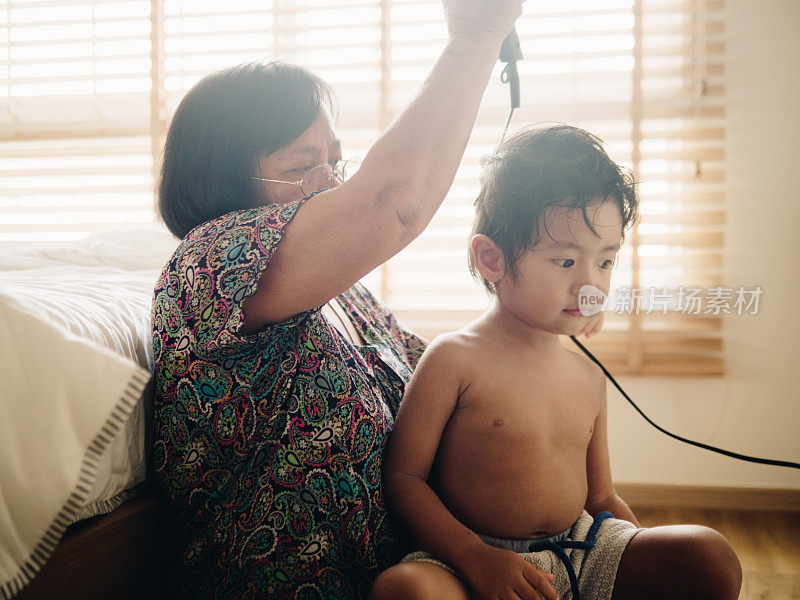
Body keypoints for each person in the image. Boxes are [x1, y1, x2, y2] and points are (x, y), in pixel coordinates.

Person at [150, 2, 614, 598]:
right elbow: (394, 201)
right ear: (220, 174)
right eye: (302, 164)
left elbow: (458, 392)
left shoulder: (347, 299)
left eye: (334, 161)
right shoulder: (209, 264)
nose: (332, 184)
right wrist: (477, 34)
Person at [372, 125, 743, 600]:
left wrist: (643, 551)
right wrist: (474, 556)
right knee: (404, 589)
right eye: (566, 263)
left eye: (605, 263)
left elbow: (602, 497)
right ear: (492, 259)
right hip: (469, 559)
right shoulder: (453, 359)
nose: (590, 285)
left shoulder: (587, 375)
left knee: (706, 555)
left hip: (581, 554)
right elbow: (404, 479)